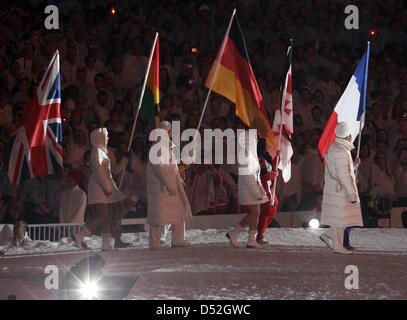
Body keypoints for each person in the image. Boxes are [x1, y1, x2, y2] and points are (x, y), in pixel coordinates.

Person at [73, 128, 124, 251]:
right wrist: (107, 187)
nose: (108, 138)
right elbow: (99, 172)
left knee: (108, 215)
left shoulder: (101, 151)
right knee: (103, 214)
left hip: (104, 186)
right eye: (106, 136)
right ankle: (80, 235)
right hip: (100, 187)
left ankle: (106, 243)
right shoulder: (97, 151)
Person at [147, 121, 192, 250]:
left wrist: (178, 180)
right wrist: (168, 183)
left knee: (179, 211)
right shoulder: (158, 148)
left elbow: (172, 168)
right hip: (162, 188)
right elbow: (159, 168)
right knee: (158, 214)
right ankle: (154, 242)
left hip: (171, 186)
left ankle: (178, 239)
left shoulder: (167, 148)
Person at [319, 122, 363, 254]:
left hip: (336, 188)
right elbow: (344, 176)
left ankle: (329, 236)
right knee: (341, 218)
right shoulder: (341, 151)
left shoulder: (336, 147)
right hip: (341, 190)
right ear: (348, 136)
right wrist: (352, 194)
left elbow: (341, 170)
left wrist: (353, 167)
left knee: (338, 217)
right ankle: (338, 246)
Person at [227, 129, 269, 249]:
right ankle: (235, 233)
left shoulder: (250, 153)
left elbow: (254, 174)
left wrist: (260, 189)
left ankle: (250, 239)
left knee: (255, 213)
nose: (257, 141)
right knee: (254, 213)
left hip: (251, 188)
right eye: (255, 139)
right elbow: (248, 176)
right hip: (248, 189)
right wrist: (257, 192)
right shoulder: (245, 155)